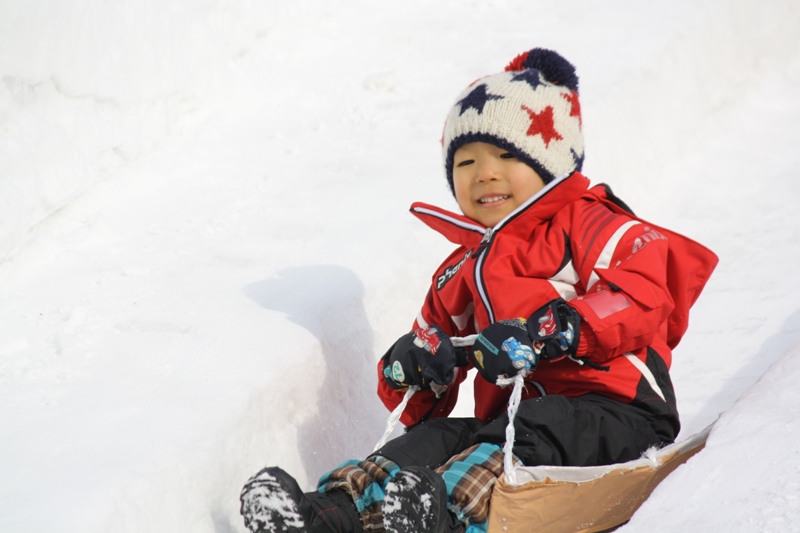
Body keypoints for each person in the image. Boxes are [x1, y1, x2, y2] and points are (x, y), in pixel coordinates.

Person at [239, 48, 717, 533]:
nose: (485, 173)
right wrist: (416, 368)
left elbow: (648, 292)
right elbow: (425, 376)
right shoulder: (461, 269)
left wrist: (554, 330)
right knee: (435, 439)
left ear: (551, 162)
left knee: (535, 425)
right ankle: (328, 513)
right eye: (466, 161)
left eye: (507, 156)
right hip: (507, 428)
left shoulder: (591, 226)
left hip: (619, 417)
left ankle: (444, 511)